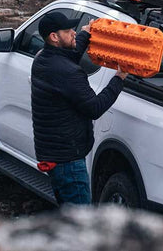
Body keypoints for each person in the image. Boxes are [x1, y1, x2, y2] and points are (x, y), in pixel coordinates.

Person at [31, 12, 128, 205]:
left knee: (68, 214)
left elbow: (70, 55)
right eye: (68, 31)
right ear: (54, 37)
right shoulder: (67, 72)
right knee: (79, 222)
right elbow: (95, 107)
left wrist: (86, 33)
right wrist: (119, 77)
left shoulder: (43, 58)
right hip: (68, 161)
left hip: (54, 155)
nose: (73, 33)